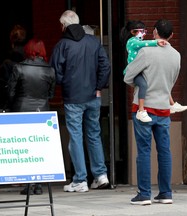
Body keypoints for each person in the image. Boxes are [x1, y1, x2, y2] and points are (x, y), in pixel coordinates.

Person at [50, 10, 111, 192]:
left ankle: (80, 180)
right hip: (94, 96)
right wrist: (99, 87)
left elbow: (55, 72)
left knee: (76, 136)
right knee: (94, 134)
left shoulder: (63, 45)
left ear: (63, 25)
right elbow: (105, 66)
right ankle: (101, 176)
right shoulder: (93, 42)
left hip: (73, 97)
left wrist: (65, 83)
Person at [123, 19, 180, 205]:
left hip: (144, 107)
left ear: (154, 32)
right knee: (164, 151)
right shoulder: (176, 55)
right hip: (164, 107)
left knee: (144, 151)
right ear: (171, 35)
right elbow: (172, 81)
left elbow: (128, 75)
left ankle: (144, 194)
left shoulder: (145, 52)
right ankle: (166, 193)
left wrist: (140, 86)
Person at [7, 38, 56, 195]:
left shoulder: (19, 68)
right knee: (39, 148)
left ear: (27, 51)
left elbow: (11, 92)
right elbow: (51, 94)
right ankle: (39, 184)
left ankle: (28, 184)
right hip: (42, 111)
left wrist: (10, 106)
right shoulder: (49, 70)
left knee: (24, 148)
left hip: (21, 110)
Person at [122, 20, 187, 122]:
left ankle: (172, 104)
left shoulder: (144, 48)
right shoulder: (132, 42)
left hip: (154, 101)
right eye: (139, 31)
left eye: (144, 31)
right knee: (144, 84)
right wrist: (155, 42)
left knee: (160, 84)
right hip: (135, 71)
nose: (142, 34)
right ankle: (141, 110)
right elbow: (144, 43)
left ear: (154, 32)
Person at [0, 24, 27, 111]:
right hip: (25, 98)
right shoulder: (28, 56)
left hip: (10, 101)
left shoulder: (8, 60)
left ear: (11, 39)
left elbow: (1, 82)